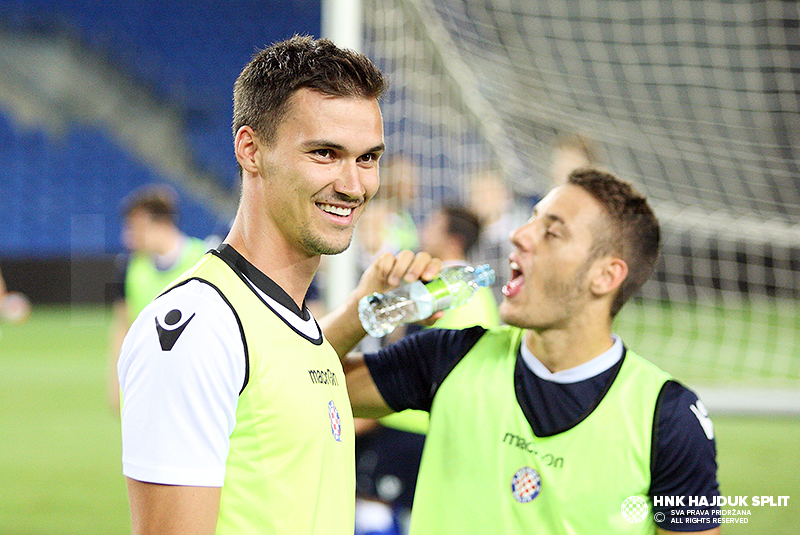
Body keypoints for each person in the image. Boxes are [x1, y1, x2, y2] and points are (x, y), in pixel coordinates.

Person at [322, 167, 721, 534]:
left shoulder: (667, 416)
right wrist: (363, 308)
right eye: (532, 219)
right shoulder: (450, 355)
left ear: (605, 275)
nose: (520, 235)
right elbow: (306, 380)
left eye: (552, 232)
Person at [117, 35, 407, 535]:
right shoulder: (200, 329)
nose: (354, 185)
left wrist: (363, 310)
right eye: (324, 153)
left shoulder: (293, 322)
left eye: (367, 158)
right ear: (251, 150)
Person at [354, 203, 501, 535]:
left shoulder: (446, 288)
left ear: (452, 239)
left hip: (403, 422)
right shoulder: (481, 297)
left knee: (374, 509)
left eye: (433, 224)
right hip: (432, 428)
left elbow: (405, 359)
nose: (424, 230)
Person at [106, 185, 208, 412]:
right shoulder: (129, 268)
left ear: (162, 224)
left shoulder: (205, 260)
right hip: (148, 385)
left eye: (136, 228)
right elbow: (123, 326)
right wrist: (116, 382)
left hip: (196, 384)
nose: (127, 237)